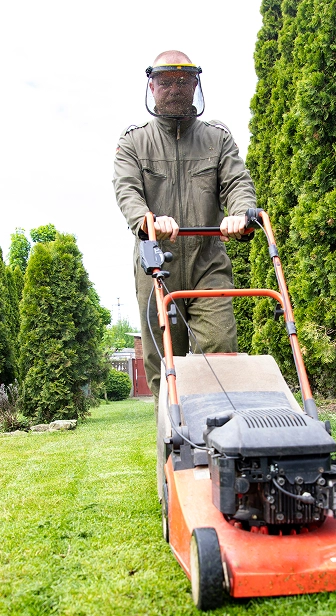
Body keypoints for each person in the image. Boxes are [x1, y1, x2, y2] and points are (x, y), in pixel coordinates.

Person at [113, 50, 257, 399]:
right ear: (152, 86)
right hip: (156, 265)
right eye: (166, 82)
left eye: (182, 80)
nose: (174, 88)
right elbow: (127, 190)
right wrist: (148, 221)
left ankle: (223, 440)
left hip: (208, 262)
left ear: (195, 84)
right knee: (165, 364)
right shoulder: (134, 142)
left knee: (221, 352)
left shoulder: (217, 139)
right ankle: (173, 447)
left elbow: (237, 183)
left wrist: (241, 212)